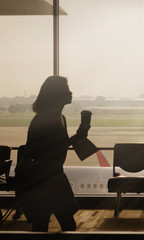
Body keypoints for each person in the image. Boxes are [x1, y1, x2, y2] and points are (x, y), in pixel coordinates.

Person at [15, 76, 89, 231]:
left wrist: (81, 133)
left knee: (46, 223)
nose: (70, 92)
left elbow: (54, 146)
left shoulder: (59, 117)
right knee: (55, 223)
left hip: (52, 174)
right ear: (57, 94)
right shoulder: (45, 119)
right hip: (44, 178)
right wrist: (80, 133)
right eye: (66, 89)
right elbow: (49, 148)